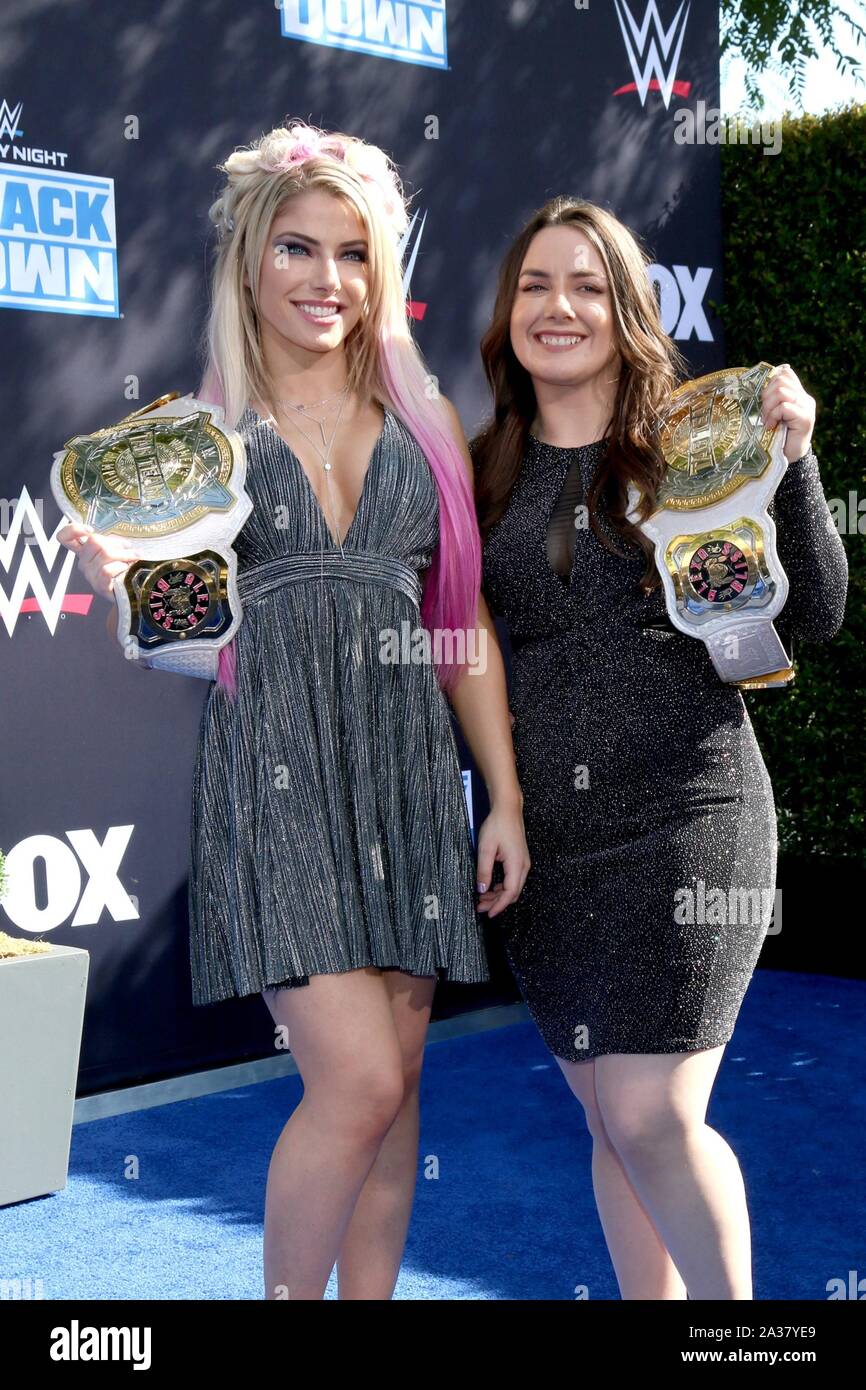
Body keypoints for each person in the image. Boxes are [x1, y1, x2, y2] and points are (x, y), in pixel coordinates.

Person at [58, 120, 530, 1301]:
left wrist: (506, 796)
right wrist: (137, 592)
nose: (328, 280)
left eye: (355, 253)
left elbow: (458, 631)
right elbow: (183, 639)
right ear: (249, 262)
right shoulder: (197, 443)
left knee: (399, 1093)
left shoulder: (427, 431)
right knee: (359, 1084)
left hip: (409, 774)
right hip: (275, 771)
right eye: (297, 249)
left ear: (384, 271)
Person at [472, 196, 848, 1300]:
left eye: (587, 284)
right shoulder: (481, 465)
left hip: (689, 815)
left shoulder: (687, 444)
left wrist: (795, 465)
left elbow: (808, 616)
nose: (559, 306)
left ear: (626, 308)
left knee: (650, 1112)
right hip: (552, 843)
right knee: (604, 1117)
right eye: (536, 284)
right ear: (507, 314)